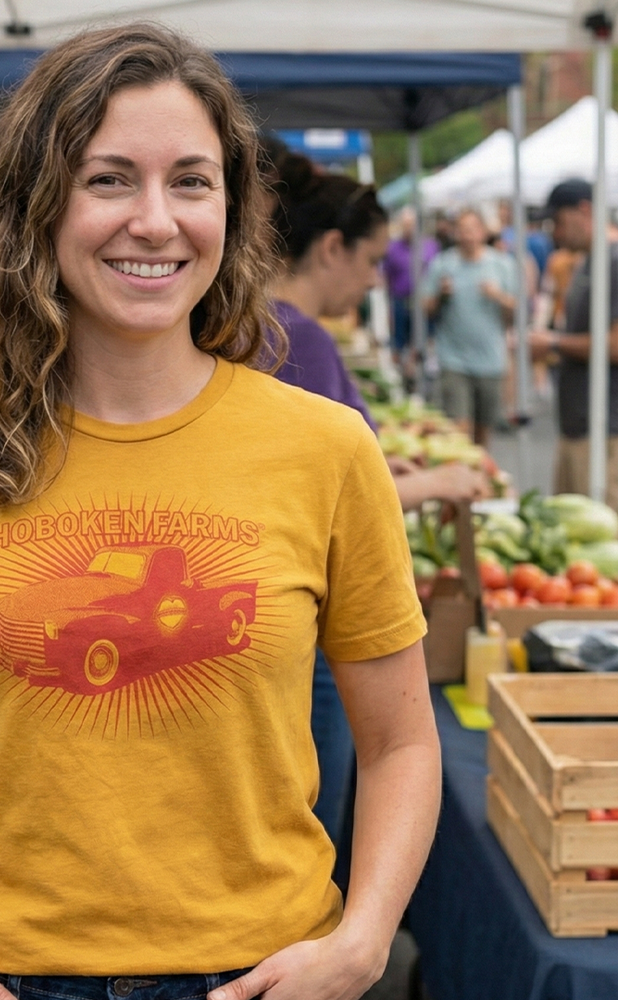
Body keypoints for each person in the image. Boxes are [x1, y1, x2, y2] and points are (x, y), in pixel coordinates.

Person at [0, 24, 441, 1000]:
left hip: (264, 970)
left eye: (190, 181)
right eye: (108, 180)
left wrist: (362, 940)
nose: (155, 220)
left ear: (229, 206)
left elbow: (400, 739)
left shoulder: (325, 448)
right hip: (2, 974)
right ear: (37, 204)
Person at [258, 136, 487, 845]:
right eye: (367, 261)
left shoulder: (268, 331)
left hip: (295, 613)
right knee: (313, 823)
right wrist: (442, 483)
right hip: (320, 623)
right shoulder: (300, 339)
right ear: (330, 248)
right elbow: (328, 498)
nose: (372, 281)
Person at [529, 178, 618, 509]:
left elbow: (614, 345)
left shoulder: (614, 260)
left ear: (585, 211)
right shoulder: (586, 262)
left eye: (560, 221)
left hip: (605, 428)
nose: (556, 233)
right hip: (578, 423)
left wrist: (553, 343)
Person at [423, 209, 517, 446]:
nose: (467, 236)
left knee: (483, 432)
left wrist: (498, 296)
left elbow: (518, 310)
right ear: (455, 233)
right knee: (459, 429)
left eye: (472, 229)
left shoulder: (502, 264)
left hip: (490, 359)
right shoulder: (442, 264)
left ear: (483, 232)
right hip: (453, 359)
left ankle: (479, 478)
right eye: (462, 230)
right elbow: (426, 308)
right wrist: (440, 296)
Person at [381, 206, 438, 386]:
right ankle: (403, 378)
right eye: (405, 225)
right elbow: (386, 277)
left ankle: (421, 378)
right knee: (399, 343)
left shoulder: (430, 246)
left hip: (423, 304)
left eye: (411, 225)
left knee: (422, 341)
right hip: (400, 302)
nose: (408, 229)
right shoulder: (392, 248)